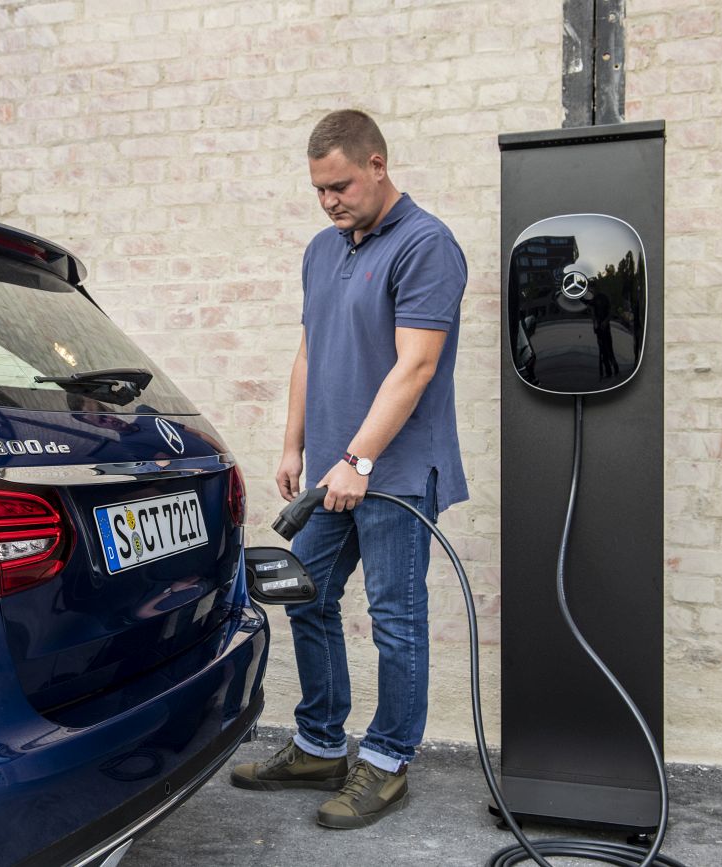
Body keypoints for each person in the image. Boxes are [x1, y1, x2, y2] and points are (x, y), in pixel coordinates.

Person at [230, 109, 468, 829]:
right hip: (333, 473)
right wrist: (294, 446)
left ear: (377, 165)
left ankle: (388, 761)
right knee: (306, 595)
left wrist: (360, 458)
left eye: (340, 186)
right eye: (319, 190)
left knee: (395, 619)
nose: (330, 201)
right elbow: (310, 351)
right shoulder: (321, 250)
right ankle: (319, 747)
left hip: (395, 474)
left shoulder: (426, 244)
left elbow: (416, 365)